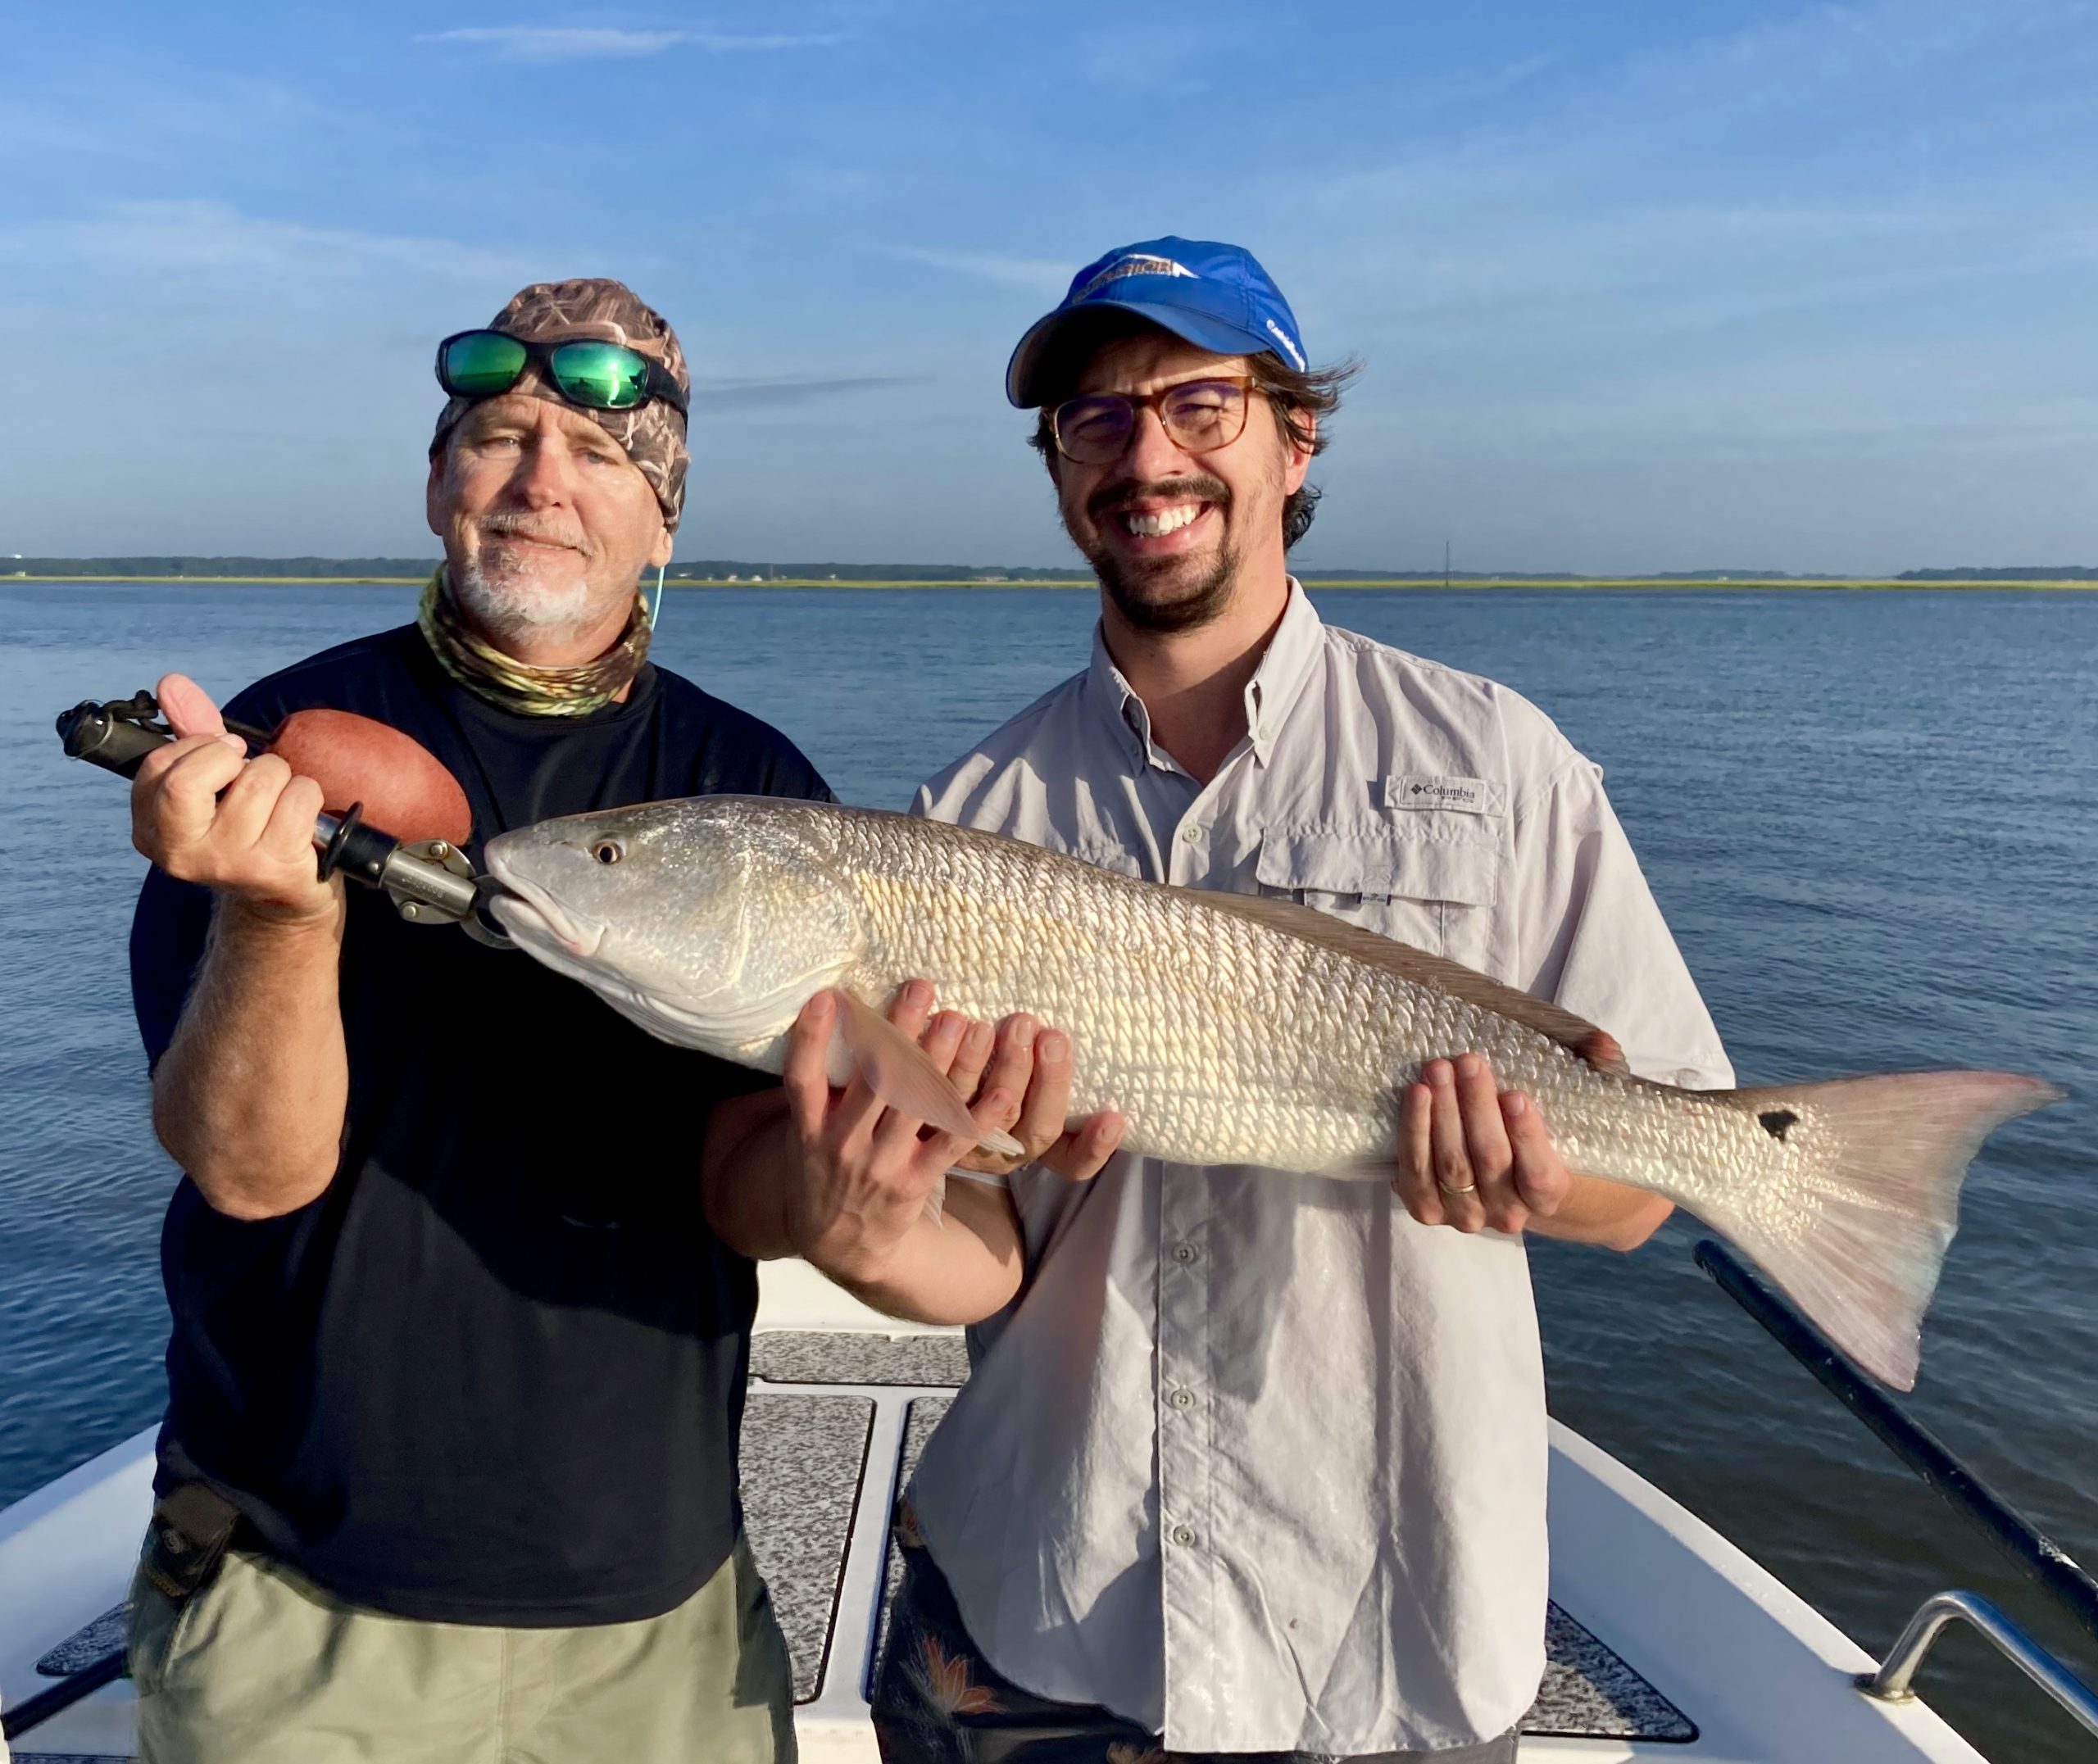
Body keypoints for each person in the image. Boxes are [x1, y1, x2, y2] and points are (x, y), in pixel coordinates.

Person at [122, 277, 1092, 1763]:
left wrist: (843, 1198)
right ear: (439, 480)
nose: (541, 480)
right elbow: (249, 1168)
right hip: (297, 1609)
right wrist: (279, 910)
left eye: (598, 455)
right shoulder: (274, 751)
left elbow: (731, 1173)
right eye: (498, 438)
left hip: (659, 1621)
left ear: (663, 518)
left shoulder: (752, 785)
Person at [861, 239, 1736, 1762]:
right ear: (1059, 466)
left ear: (1295, 434)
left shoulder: (1499, 761)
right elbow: (984, 1240)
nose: (1148, 457)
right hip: (1042, 1602)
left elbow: (1640, 1193)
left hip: (1382, 1634)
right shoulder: (964, 813)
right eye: (1096, 419)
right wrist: (858, 1209)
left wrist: (1534, 1175)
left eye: (1201, 402)